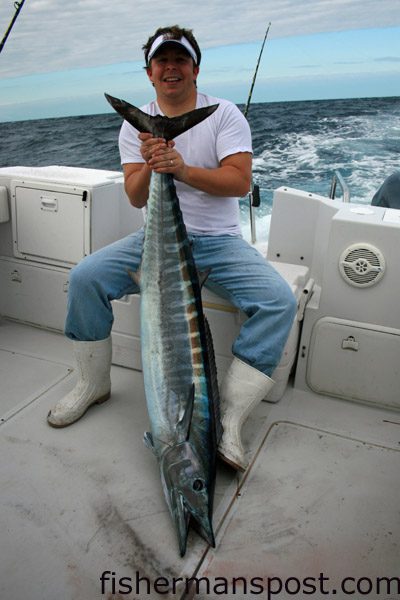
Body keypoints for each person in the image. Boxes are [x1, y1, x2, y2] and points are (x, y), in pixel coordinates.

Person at [47, 25, 297, 471]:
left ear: (195, 68)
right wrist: (151, 161)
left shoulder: (223, 115)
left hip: (219, 243)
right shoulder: (134, 124)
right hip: (155, 242)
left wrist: (180, 168)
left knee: (278, 301)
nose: (171, 68)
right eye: (162, 61)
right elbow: (136, 196)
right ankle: (92, 384)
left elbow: (238, 182)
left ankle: (230, 421)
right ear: (149, 72)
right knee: (85, 278)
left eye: (179, 60)